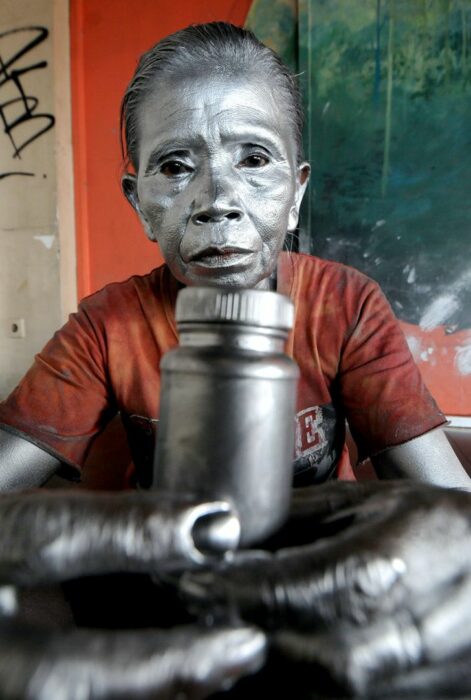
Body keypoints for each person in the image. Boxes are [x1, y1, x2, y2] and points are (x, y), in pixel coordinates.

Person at [0, 21, 469, 491]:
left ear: (296, 195)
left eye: (255, 160)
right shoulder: (108, 326)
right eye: (175, 167)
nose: (217, 200)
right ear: (139, 204)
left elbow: (450, 508)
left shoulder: (346, 305)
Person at [0, 479, 470, 698]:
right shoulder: (106, 323)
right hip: (139, 590)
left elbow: (446, 486)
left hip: (344, 600)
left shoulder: (348, 306)